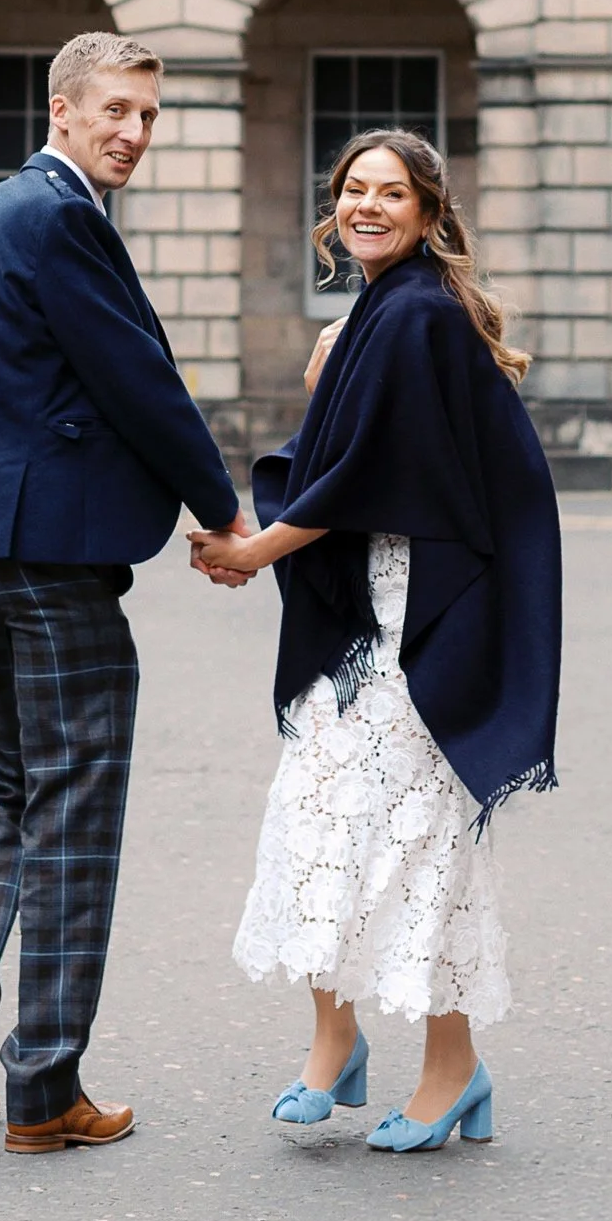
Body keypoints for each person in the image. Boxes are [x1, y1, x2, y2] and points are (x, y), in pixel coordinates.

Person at [0, 31, 253, 1154]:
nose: (132, 133)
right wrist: (221, 506)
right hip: (51, 556)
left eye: (147, 116)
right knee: (74, 808)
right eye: (114, 111)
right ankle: (44, 1084)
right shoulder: (58, 218)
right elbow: (135, 379)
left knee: (6, 779)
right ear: (59, 111)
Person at [191, 129, 562, 1153]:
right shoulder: (378, 310)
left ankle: (453, 1070)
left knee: (415, 838)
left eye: (389, 192)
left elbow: (362, 476)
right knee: (320, 819)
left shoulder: (414, 318)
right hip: (363, 616)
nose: (365, 204)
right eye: (351, 188)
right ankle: (332, 1047)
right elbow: (356, 453)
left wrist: (254, 547)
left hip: (412, 622)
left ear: (429, 212)